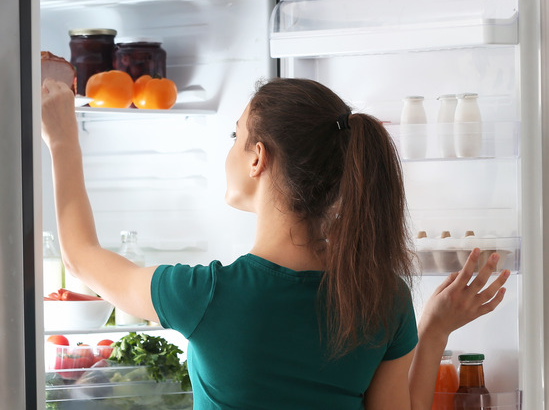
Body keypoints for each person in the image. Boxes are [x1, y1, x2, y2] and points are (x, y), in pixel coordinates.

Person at [40, 76, 510, 409]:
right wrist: (432, 334)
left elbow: (81, 259)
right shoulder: (384, 296)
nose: (230, 148)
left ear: (257, 158)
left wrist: (63, 142)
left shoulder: (206, 295)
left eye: (236, 135)